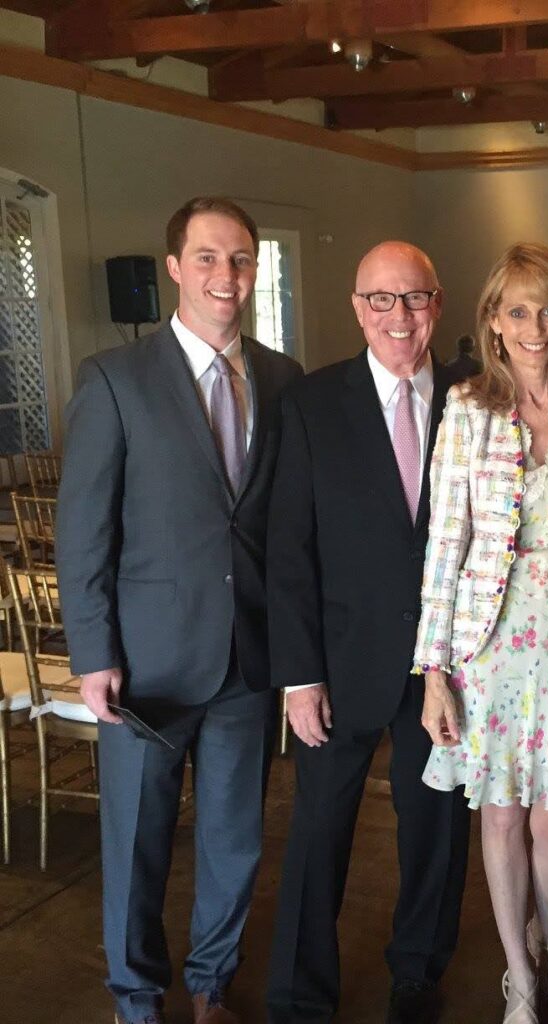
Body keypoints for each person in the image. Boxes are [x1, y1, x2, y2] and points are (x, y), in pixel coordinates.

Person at [56, 197, 303, 1024]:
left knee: (236, 841)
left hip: (246, 661)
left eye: (240, 259)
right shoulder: (114, 379)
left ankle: (210, 986)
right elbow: (84, 528)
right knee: (137, 842)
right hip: (146, 665)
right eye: (207, 257)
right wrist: (93, 653)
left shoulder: (283, 379)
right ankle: (136, 998)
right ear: (174, 268)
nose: (225, 275)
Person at [414, 242, 548, 1024]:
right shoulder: (468, 408)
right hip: (492, 644)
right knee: (503, 814)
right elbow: (445, 545)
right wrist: (434, 672)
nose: (535, 328)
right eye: (518, 312)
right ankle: (518, 970)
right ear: (493, 323)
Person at [264, 241, 471, 1024]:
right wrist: (299, 675)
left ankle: (418, 974)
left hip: (444, 667)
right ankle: (298, 992)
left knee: (436, 832)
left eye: (414, 297)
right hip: (339, 663)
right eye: (381, 299)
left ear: (437, 305)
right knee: (318, 831)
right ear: (358, 309)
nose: (399, 315)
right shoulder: (312, 403)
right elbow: (288, 548)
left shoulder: (474, 399)